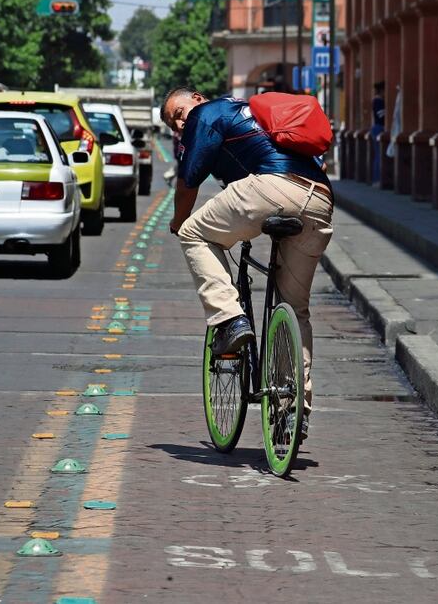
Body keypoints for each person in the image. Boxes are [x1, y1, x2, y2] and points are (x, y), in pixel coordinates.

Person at [162, 87, 334, 437]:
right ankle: (292, 412)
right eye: (172, 124)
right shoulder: (253, 113)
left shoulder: (206, 113)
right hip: (320, 198)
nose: (180, 124)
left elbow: (188, 181)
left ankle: (230, 319)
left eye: (178, 113)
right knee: (294, 308)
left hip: (271, 188)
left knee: (194, 233)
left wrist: (179, 221)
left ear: (197, 98)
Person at [370, 81, 386, 184]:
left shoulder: (376, 100)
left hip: (376, 128)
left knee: (377, 154)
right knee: (379, 155)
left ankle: (376, 179)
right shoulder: (378, 101)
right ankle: (377, 179)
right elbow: (381, 115)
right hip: (379, 128)